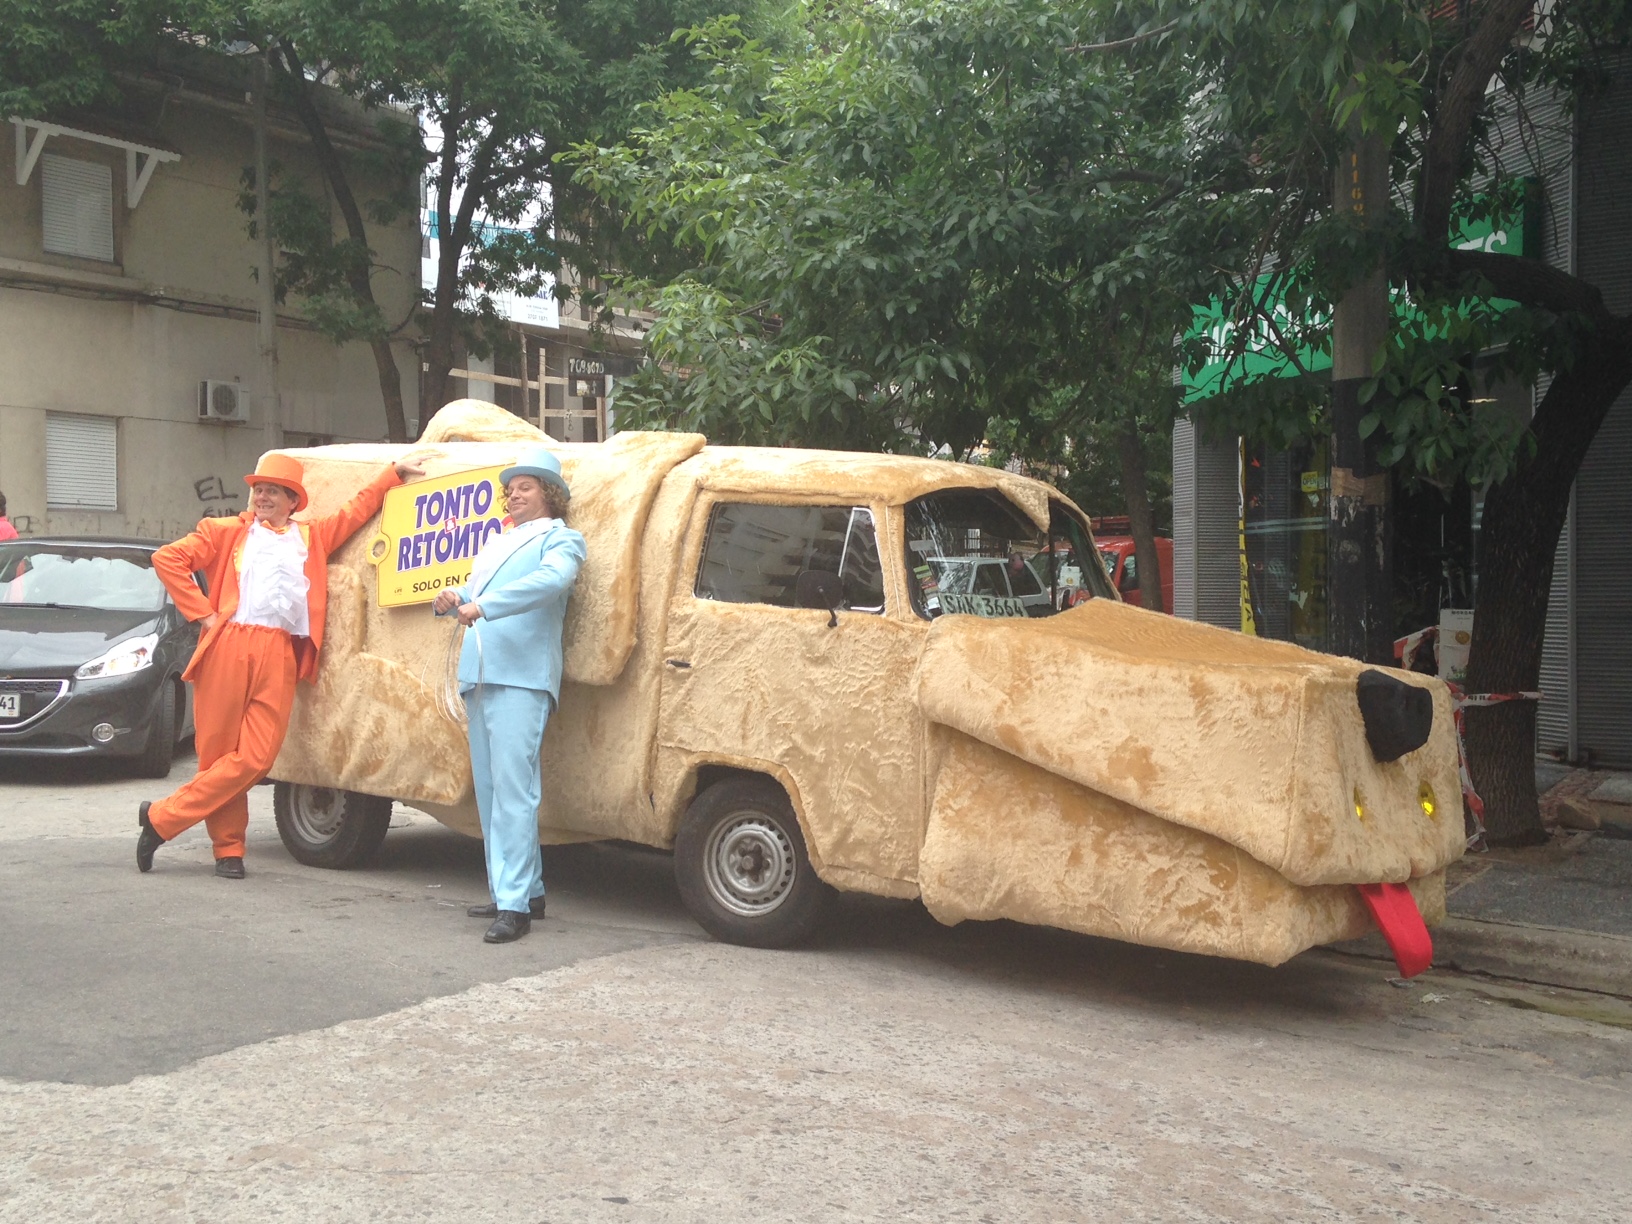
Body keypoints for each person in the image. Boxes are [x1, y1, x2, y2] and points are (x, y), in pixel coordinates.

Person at [137, 451, 425, 878]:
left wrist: (391, 477)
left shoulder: (312, 537)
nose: (263, 497)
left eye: (273, 491)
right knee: (218, 755)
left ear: (294, 500)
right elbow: (168, 559)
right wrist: (204, 614)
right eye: (258, 489)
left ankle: (162, 818)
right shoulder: (223, 531)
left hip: (279, 651)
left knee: (255, 758)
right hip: (227, 645)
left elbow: (355, 511)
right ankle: (228, 849)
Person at [433, 446, 585, 944]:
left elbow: (551, 582)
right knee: (494, 792)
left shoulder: (563, 539)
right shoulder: (499, 543)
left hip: (522, 676)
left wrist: (484, 605)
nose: (514, 494)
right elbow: (473, 591)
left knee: (515, 793)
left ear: (550, 494)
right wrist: (452, 597)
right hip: (480, 673)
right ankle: (520, 891)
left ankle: (514, 904)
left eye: (526, 486)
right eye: (511, 488)